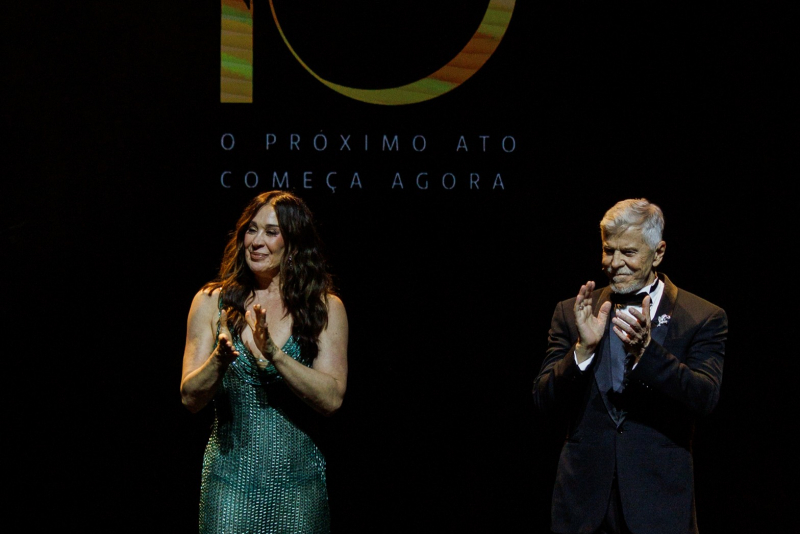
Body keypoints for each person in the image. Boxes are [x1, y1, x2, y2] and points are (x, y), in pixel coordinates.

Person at [532, 198, 726, 534]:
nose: (614, 263)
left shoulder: (700, 317)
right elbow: (543, 399)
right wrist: (583, 350)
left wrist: (648, 354)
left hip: (659, 505)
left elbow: (704, 398)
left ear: (658, 252)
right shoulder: (573, 312)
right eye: (609, 250)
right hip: (583, 507)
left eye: (629, 253)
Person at [180, 190, 348, 534]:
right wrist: (218, 361)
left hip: (298, 488)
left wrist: (274, 354)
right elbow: (189, 397)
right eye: (251, 230)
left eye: (271, 232)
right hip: (229, 486)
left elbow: (331, 399)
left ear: (294, 242)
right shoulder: (211, 302)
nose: (256, 241)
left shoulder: (325, 308)